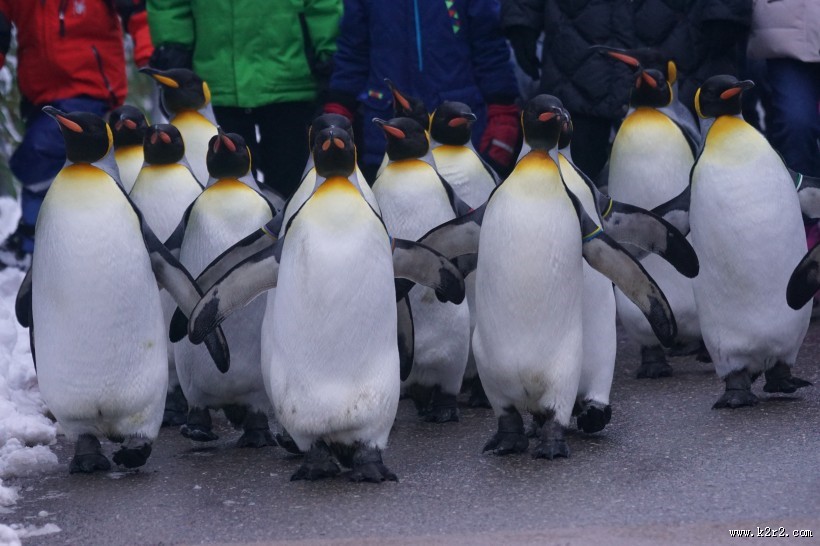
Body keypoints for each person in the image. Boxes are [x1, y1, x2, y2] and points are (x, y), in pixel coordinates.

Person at [502, 0, 752, 182]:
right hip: (581, 47)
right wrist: (522, 15)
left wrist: (725, 10)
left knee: (683, 182)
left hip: (677, 39)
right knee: (571, 184)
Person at [0, 0, 153, 270]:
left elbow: (136, 9)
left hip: (91, 90)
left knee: (37, 155)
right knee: (54, 168)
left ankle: (34, 239)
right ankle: (41, 237)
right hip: (38, 96)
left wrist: (148, 50)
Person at [146, 0, 342, 199]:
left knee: (291, 186)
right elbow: (169, 5)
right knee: (226, 192)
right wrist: (173, 46)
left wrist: (329, 55)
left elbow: (323, 6)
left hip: (289, 79)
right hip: (218, 81)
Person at [324, 0, 521, 184]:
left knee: (465, 214)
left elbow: (490, 46)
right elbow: (353, 50)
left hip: (455, 133)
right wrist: (339, 109)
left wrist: (502, 111)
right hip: (388, 131)